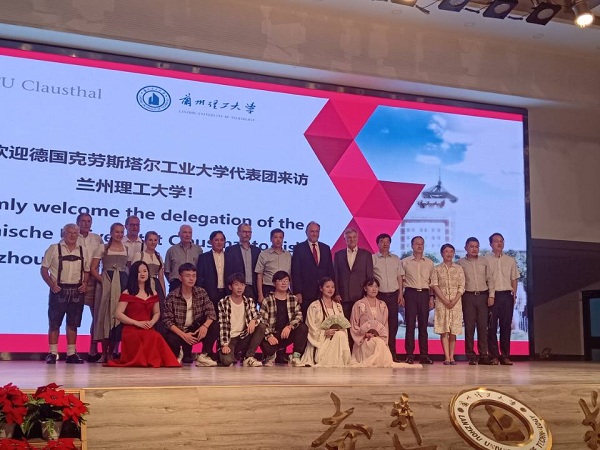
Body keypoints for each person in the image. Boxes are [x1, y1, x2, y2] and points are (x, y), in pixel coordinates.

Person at [106, 261, 181, 368]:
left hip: (147, 326)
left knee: (156, 336)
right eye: (139, 272)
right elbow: (118, 314)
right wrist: (136, 323)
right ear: (134, 274)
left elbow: (157, 312)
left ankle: (158, 360)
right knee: (144, 336)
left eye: (145, 271)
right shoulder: (128, 292)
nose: (142, 274)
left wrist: (152, 322)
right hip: (131, 328)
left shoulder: (153, 292)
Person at [40, 223, 90, 364]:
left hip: (77, 291)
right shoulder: (54, 248)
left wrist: (85, 283)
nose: (73, 235)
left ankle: (71, 353)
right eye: (70, 232)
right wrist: (51, 285)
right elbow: (44, 269)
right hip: (59, 290)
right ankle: (52, 353)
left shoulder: (83, 250)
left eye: (75, 233)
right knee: (54, 322)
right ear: (63, 233)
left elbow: (86, 270)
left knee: (73, 323)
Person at [162, 263, 217, 366]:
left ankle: (203, 355)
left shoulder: (201, 292)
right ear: (180, 277)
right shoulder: (172, 296)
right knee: (169, 337)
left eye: (194, 276)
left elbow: (211, 312)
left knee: (214, 325)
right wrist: (184, 335)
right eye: (188, 276)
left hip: (195, 330)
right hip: (179, 331)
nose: (191, 279)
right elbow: (167, 321)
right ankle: (178, 354)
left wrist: (205, 326)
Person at [90, 222, 130, 363]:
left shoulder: (126, 249)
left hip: (122, 283)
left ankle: (113, 352)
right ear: (111, 233)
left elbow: (129, 268)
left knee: (117, 317)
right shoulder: (103, 248)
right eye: (117, 232)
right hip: (106, 284)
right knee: (104, 316)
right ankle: (104, 353)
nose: (119, 234)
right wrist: (103, 280)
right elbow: (93, 268)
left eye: (121, 232)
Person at [456, 237, 495, 365]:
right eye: (471, 246)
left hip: (483, 296)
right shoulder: (460, 263)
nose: (474, 249)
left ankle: (483, 355)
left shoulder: (484, 261)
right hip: (468, 296)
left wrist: (491, 295)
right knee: (469, 327)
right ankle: (471, 355)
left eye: (476, 246)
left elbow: (490, 279)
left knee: (483, 327)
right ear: (466, 247)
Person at [260, 271, 308, 366]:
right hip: (273, 334)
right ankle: (270, 356)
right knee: (266, 345)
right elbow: (262, 320)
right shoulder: (267, 300)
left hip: (287, 333)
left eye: (286, 280)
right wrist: (269, 336)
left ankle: (295, 357)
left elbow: (299, 316)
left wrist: (289, 327)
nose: (284, 283)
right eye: (280, 280)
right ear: (274, 283)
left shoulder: (293, 299)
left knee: (303, 327)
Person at [300, 277, 351, 367]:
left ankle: (340, 358)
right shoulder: (314, 306)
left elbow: (343, 325)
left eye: (332, 287)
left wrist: (339, 330)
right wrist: (324, 333)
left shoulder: (338, 307)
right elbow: (311, 327)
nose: (330, 289)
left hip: (337, 338)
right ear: (321, 288)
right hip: (320, 341)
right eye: (327, 286)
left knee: (341, 334)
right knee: (340, 335)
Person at [217, 273, 266, 367]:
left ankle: (249, 357)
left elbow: (260, 316)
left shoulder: (249, 301)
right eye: (236, 285)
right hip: (230, 338)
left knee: (261, 326)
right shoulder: (223, 302)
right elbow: (223, 325)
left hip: (243, 336)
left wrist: (254, 321)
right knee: (227, 361)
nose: (240, 288)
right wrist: (224, 345)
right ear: (230, 287)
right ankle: (227, 354)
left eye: (242, 285)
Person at [486, 232, 520, 366]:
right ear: (491, 244)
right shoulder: (485, 260)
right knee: (491, 327)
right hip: (492, 296)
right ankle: (493, 356)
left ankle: (505, 356)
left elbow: (514, 279)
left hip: (507, 296)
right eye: (496, 241)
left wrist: (514, 295)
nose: (499, 243)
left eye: (501, 241)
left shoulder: (510, 260)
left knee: (506, 327)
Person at [291, 221, 335, 320]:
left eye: (316, 231)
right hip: (305, 293)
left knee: (323, 319)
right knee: (307, 319)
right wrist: (297, 292)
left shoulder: (326, 248)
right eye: (312, 231)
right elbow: (296, 272)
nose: (314, 234)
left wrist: (332, 291)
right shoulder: (299, 248)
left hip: (323, 293)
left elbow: (330, 270)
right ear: (306, 232)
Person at [401, 236, 434, 365]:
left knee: (423, 327)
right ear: (412, 246)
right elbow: (401, 281)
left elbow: (432, 282)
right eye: (417, 244)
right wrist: (401, 296)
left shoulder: (429, 263)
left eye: (422, 244)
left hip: (424, 294)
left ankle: (424, 355)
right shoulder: (405, 262)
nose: (419, 246)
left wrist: (431, 297)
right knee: (410, 326)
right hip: (410, 294)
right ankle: (409, 355)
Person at [75, 213, 104, 362]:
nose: (86, 224)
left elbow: (104, 258)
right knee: (73, 317)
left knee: (96, 317)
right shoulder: (72, 237)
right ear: (78, 223)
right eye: (83, 221)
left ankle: (93, 350)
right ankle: (71, 351)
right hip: (75, 280)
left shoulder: (97, 239)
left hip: (93, 280)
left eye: (88, 221)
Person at [195, 230, 228, 360]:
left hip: (225, 294)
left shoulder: (229, 256)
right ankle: (207, 351)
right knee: (210, 322)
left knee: (224, 323)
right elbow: (200, 278)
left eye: (221, 240)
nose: (219, 242)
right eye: (216, 240)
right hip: (209, 295)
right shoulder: (204, 257)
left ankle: (221, 351)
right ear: (210, 242)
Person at [349, 278, 396, 367]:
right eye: (371, 286)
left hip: (379, 339)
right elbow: (354, 325)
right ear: (365, 288)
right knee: (378, 343)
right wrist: (365, 334)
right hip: (364, 340)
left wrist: (381, 336)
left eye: (376, 286)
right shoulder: (358, 305)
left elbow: (384, 326)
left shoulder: (382, 305)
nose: (374, 289)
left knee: (379, 342)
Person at [431, 244, 465, 365]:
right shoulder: (436, 269)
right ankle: (446, 357)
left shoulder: (459, 269)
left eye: (451, 251)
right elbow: (434, 285)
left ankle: (452, 357)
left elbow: (462, 286)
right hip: (441, 303)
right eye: (446, 251)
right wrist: (444, 300)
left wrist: (455, 300)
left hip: (456, 303)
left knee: (453, 331)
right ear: (442, 253)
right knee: (444, 330)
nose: (449, 254)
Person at [372, 233, 404, 361]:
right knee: (379, 324)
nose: (385, 244)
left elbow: (400, 277)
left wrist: (401, 293)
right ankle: (379, 353)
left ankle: (392, 353)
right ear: (377, 244)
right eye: (382, 241)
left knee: (393, 325)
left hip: (394, 296)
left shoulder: (396, 259)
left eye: (387, 241)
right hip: (379, 296)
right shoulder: (373, 258)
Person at [334, 228, 374, 322]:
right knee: (345, 323)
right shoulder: (338, 255)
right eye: (349, 237)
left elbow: (369, 276)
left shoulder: (366, 254)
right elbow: (336, 275)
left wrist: (367, 294)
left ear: (357, 238)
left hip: (361, 295)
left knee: (360, 323)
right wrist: (336, 293)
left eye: (354, 237)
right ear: (345, 239)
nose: (352, 239)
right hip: (343, 296)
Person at [132, 231, 167, 335]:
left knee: (157, 312)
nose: (153, 242)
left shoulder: (159, 257)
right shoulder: (139, 255)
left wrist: (163, 294)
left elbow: (161, 278)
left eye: (155, 240)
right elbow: (134, 274)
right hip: (143, 286)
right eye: (150, 240)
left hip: (156, 286)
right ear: (145, 241)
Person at [224, 223, 261, 300]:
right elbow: (228, 272)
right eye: (244, 232)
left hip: (252, 289)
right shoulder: (230, 250)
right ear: (238, 233)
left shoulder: (257, 251)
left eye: (249, 232)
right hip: (236, 288)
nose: (247, 234)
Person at [255, 228, 292, 304]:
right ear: (271, 239)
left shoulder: (288, 255)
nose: (278, 240)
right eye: (275, 237)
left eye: (280, 237)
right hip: (268, 288)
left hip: (284, 289)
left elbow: (291, 275)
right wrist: (260, 294)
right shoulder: (264, 254)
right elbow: (259, 275)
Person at [164, 224, 203, 292]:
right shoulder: (171, 250)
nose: (187, 235)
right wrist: (172, 282)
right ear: (179, 234)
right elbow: (167, 271)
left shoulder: (198, 250)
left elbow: (201, 269)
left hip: (193, 285)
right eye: (185, 232)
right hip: (176, 284)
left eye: (190, 233)